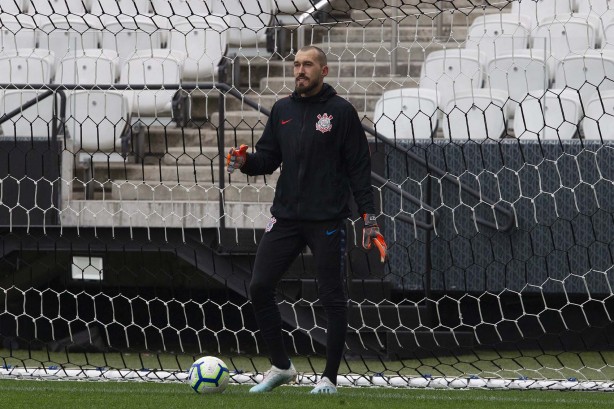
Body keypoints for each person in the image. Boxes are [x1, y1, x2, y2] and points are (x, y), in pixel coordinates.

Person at [226, 45, 387, 394]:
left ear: (324, 71)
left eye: (308, 65)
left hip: (327, 219)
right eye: (296, 64)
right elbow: (267, 159)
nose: (300, 70)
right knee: (259, 286)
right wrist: (245, 162)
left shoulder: (341, 113)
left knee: (331, 296)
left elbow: (360, 169)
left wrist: (368, 217)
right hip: (285, 217)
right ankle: (281, 367)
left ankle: (329, 378)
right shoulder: (282, 110)